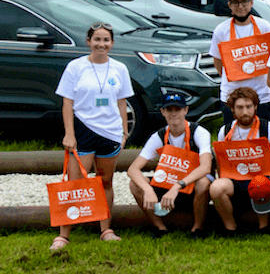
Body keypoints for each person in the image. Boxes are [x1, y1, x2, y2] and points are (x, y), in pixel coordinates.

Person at [51, 23, 132, 249]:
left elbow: (122, 101)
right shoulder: (75, 67)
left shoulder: (120, 69)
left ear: (112, 43)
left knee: (106, 182)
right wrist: (69, 134)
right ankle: (63, 234)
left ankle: (106, 229)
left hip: (111, 133)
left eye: (106, 40)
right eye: (97, 40)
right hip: (83, 130)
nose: (101, 44)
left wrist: (124, 132)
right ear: (88, 41)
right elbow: (67, 101)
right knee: (75, 184)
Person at [127, 93, 213, 239]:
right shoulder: (159, 136)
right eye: (169, 109)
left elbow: (205, 167)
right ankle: (160, 227)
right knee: (135, 185)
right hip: (170, 181)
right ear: (163, 112)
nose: (174, 113)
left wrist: (177, 186)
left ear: (185, 110)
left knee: (203, 182)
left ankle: (197, 229)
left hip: (190, 183)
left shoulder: (199, 132)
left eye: (178, 109)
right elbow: (132, 169)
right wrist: (148, 189)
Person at [209, 87, 270, 236]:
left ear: (255, 107)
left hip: (264, 178)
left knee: (259, 184)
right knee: (216, 188)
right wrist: (223, 178)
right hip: (236, 178)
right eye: (240, 107)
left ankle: (264, 226)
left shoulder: (269, 130)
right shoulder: (225, 131)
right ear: (232, 109)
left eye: (248, 107)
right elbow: (221, 159)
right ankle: (230, 228)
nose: (245, 112)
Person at [211, 0, 270, 124]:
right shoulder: (221, 30)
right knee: (233, 137)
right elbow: (217, 60)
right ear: (229, 5)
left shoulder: (265, 27)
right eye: (235, 2)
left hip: (262, 94)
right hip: (231, 95)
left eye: (244, 1)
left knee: (264, 136)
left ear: (251, 3)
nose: (240, 6)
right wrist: (232, 75)